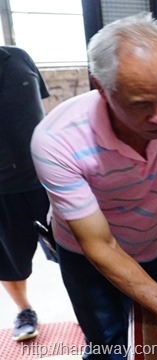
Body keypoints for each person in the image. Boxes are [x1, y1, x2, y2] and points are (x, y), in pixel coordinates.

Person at [30, 13, 157, 358]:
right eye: (140, 105)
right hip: (88, 257)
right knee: (108, 345)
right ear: (101, 88)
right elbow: (100, 242)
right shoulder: (55, 140)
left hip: (154, 240)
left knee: (155, 342)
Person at [0, 45, 50, 341]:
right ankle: (24, 310)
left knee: (75, 252)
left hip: (47, 177)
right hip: (2, 189)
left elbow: (42, 107)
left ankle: (90, 312)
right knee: (9, 258)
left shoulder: (18, 57)